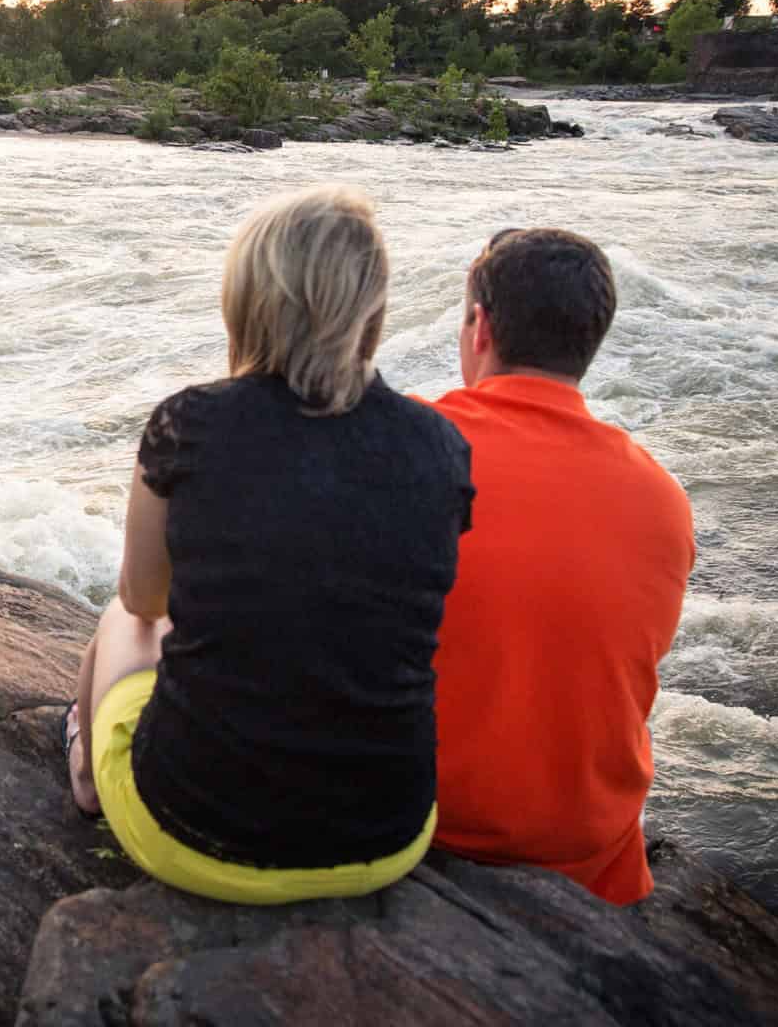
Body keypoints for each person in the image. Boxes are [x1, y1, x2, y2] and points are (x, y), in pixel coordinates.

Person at [65, 184, 474, 904]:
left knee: (119, 618)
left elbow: (145, 598)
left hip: (193, 830)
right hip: (388, 838)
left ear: (249, 299)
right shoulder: (440, 444)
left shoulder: (187, 423)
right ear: (369, 309)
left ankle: (85, 766)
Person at [428, 228, 693, 904]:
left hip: (425, 835)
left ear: (480, 327)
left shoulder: (407, 445)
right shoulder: (663, 498)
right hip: (592, 865)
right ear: (589, 342)